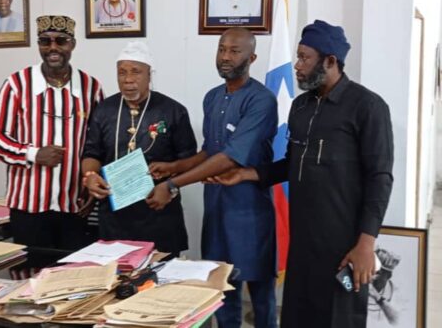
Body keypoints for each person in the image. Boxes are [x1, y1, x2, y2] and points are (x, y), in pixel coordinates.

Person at [211, 20, 394, 328]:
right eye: (297, 56)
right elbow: (293, 163)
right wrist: (248, 174)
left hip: (345, 247)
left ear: (331, 61)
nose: (297, 65)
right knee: (298, 316)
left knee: (340, 317)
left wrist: (366, 244)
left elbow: (380, 178)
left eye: (305, 58)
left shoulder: (368, 107)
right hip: (303, 244)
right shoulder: (301, 106)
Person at [147, 28, 278, 328]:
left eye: (235, 51)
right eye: (221, 49)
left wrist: (172, 185)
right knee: (221, 292)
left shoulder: (262, 101)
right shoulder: (212, 97)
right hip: (217, 209)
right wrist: (173, 167)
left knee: (261, 299)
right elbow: (210, 151)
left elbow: (230, 157)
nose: (225, 57)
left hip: (250, 212)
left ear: (252, 57)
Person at [0, 15, 104, 250]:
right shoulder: (17, 84)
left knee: (73, 279)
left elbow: (100, 144)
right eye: (44, 41)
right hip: (29, 206)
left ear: (72, 44)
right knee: (29, 277)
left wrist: (93, 187)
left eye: (61, 41)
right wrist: (32, 154)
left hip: (74, 206)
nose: (53, 48)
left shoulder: (91, 87)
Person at [81, 41, 197, 256]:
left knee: (161, 284)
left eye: (136, 72)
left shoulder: (173, 111)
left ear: (149, 75)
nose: (128, 79)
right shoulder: (104, 110)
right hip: (114, 216)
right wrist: (89, 175)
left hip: (159, 213)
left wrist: (171, 185)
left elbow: (191, 161)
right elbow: (91, 153)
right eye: (122, 72)